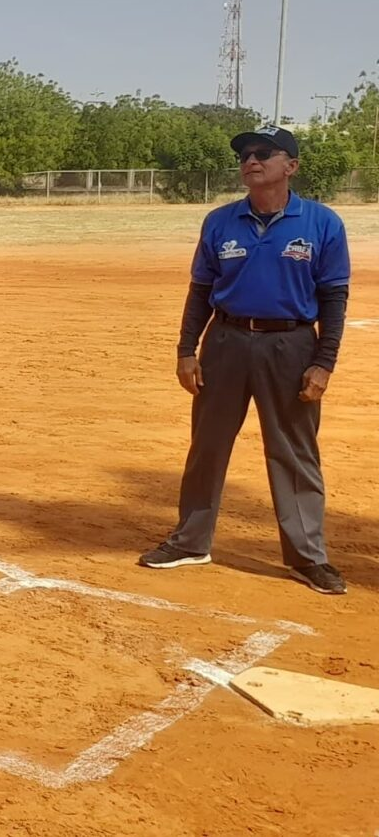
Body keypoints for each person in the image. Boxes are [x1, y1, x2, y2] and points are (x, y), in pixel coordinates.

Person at [140, 125, 350, 595]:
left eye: (263, 153)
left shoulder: (321, 223)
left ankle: (306, 556)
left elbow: (334, 296)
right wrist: (186, 350)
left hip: (291, 345)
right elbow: (199, 292)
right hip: (227, 341)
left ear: (290, 166)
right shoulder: (220, 221)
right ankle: (192, 541)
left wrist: (324, 362)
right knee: (208, 445)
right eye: (244, 156)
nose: (250, 161)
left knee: (294, 451)